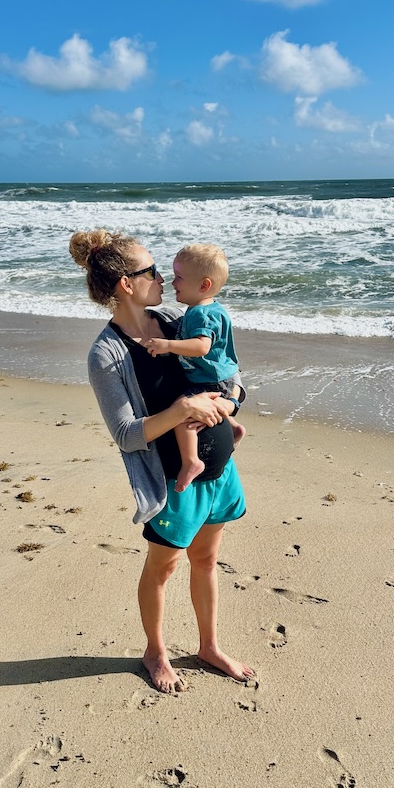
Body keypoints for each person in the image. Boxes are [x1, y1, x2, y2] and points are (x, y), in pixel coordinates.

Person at [69, 229, 254, 694]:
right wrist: (182, 410)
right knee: (163, 568)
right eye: (152, 271)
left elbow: (230, 372)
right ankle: (155, 652)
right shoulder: (106, 354)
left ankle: (209, 646)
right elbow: (126, 434)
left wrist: (232, 404)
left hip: (219, 469)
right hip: (174, 481)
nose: (163, 279)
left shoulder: (177, 319)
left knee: (206, 559)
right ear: (126, 283)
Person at [144, 243, 246, 492]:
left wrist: (168, 345)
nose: (172, 282)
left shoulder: (201, 314)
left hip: (211, 381)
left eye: (179, 277)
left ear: (203, 285)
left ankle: (191, 462)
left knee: (183, 413)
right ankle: (233, 428)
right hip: (220, 379)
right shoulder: (208, 309)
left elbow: (202, 346)